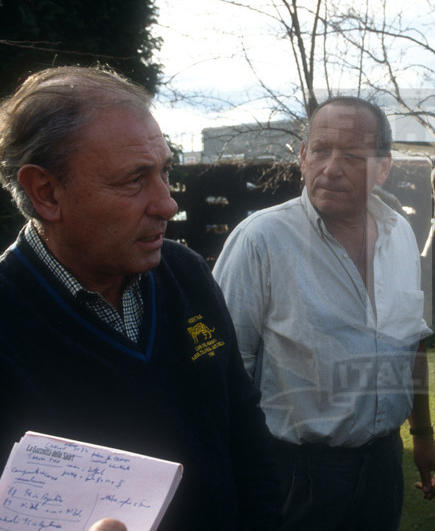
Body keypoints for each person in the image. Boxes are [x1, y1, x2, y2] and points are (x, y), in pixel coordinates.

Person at [0, 66, 280, 529]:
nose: (167, 203)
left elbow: (243, 430)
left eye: (165, 171)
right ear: (46, 192)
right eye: (134, 180)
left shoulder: (185, 273)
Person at [213, 96, 435, 531]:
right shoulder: (260, 241)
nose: (331, 167)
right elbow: (224, 372)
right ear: (303, 156)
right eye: (320, 150)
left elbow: (409, 342)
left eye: (354, 156)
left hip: (383, 466)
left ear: (384, 168)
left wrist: (423, 434)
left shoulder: (399, 236)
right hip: (294, 475)